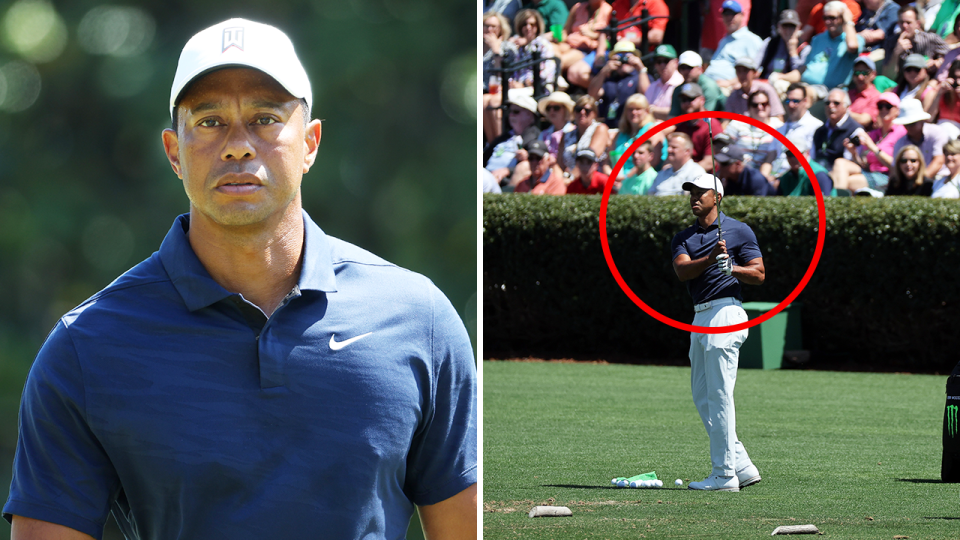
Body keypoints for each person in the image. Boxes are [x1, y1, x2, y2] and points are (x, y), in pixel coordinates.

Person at [2, 18, 477, 540]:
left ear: (311, 143)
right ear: (173, 152)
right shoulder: (86, 347)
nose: (237, 145)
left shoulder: (418, 318)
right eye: (208, 121)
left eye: (266, 117)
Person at [671, 173, 764, 492]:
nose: (694, 197)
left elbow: (759, 274)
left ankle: (724, 475)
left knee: (720, 395)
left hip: (726, 312)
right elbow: (683, 271)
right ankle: (742, 465)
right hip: (700, 316)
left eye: (701, 192)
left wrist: (732, 269)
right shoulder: (683, 237)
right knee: (703, 396)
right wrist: (711, 259)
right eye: (691, 192)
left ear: (718, 197)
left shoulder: (739, 230)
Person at [833, 92, 904, 192]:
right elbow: (864, 165)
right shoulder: (874, 134)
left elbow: (897, 165)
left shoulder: (901, 132)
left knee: (848, 181)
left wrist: (873, 147)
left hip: (888, 176)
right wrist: (853, 153)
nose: (883, 109)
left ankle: (834, 203)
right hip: (870, 172)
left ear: (897, 110)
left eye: (888, 106)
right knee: (839, 163)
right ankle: (835, 201)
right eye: (880, 106)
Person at [800, 2, 865, 89]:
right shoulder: (818, 39)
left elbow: (852, 46)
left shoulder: (855, 39)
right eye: (825, 18)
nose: (827, 21)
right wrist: (781, 77)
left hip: (831, 93)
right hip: (806, 87)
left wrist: (848, 21)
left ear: (842, 18)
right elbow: (805, 68)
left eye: (832, 18)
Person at [484, 90, 541, 187]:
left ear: (530, 115)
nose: (511, 115)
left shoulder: (535, 136)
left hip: (504, 181)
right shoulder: (505, 136)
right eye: (510, 111)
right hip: (486, 176)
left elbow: (535, 164)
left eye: (516, 111)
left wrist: (507, 170)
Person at [724, 90, 784, 182]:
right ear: (748, 107)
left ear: (769, 105)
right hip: (740, 172)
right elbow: (723, 145)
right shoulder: (738, 123)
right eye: (755, 105)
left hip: (767, 173)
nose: (760, 107)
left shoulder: (778, 126)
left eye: (764, 104)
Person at [703, 0, 763, 89]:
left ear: (742, 15)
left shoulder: (752, 40)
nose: (729, 18)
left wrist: (728, 83)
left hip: (727, 88)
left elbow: (757, 71)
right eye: (726, 14)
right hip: (708, 83)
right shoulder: (724, 40)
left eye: (733, 14)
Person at [882, 5, 948, 81]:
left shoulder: (930, 39)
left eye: (908, 22)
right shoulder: (891, 42)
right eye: (901, 22)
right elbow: (888, 76)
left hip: (925, 82)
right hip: (901, 84)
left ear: (917, 24)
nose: (904, 26)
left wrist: (938, 61)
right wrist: (896, 53)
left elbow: (950, 54)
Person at [588, 41, 645, 129]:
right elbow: (592, 96)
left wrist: (641, 69)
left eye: (627, 56)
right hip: (610, 128)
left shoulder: (640, 77)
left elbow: (647, 96)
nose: (623, 60)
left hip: (630, 128)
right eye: (620, 56)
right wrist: (603, 72)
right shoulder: (609, 80)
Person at [557, 0, 612, 88]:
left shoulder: (608, 10)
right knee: (550, 51)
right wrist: (555, 37)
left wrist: (592, 34)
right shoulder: (578, 7)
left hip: (587, 49)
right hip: (569, 44)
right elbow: (566, 31)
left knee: (559, 61)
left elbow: (608, 37)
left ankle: (554, 85)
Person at [772, 83, 823, 176]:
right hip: (775, 174)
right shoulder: (779, 129)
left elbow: (813, 160)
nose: (791, 105)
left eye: (796, 101)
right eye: (788, 101)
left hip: (799, 175)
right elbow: (770, 157)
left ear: (805, 101)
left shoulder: (816, 127)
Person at [892, 98, 949, 180]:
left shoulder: (937, 133)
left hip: (938, 178)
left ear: (922, 120)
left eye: (913, 123)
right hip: (912, 182)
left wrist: (920, 182)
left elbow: (939, 161)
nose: (909, 127)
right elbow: (895, 169)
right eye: (906, 124)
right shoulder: (900, 143)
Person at [483, 12, 518, 144]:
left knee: (485, 101)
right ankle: (491, 144)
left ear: (501, 29)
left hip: (496, 88)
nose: (490, 30)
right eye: (486, 26)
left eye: (494, 27)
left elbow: (501, 75)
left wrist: (496, 50)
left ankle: (496, 143)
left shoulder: (507, 48)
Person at [608, 94, 660, 180]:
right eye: (630, 109)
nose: (634, 112)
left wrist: (625, 179)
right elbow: (607, 161)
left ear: (646, 111)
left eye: (638, 109)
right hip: (615, 179)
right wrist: (611, 176)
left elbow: (652, 161)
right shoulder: (620, 133)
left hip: (639, 179)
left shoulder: (652, 130)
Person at [674, 83, 725, 172]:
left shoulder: (712, 125)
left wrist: (683, 174)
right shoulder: (681, 126)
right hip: (683, 176)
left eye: (691, 99)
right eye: (683, 100)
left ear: (702, 100)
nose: (687, 103)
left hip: (705, 179)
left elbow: (709, 162)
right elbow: (672, 159)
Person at [811, 88, 863, 171]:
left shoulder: (855, 130)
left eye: (836, 103)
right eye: (827, 103)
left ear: (847, 106)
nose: (831, 106)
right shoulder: (819, 130)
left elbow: (850, 163)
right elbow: (812, 157)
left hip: (838, 174)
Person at [507, 9, 558, 89]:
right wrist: (511, 82)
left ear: (537, 26)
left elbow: (547, 71)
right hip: (517, 87)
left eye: (532, 24)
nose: (528, 27)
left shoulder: (543, 44)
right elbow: (512, 71)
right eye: (524, 24)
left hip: (538, 88)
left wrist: (525, 84)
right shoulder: (517, 45)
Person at [561, 95, 610, 172]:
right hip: (568, 179)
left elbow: (589, 158)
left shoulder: (600, 129)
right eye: (578, 110)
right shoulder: (566, 135)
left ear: (594, 113)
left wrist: (571, 180)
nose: (582, 112)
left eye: (587, 110)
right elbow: (558, 164)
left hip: (592, 178)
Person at [755, 10, 804, 86]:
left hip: (788, 87)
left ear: (798, 27)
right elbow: (755, 65)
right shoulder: (770, 42)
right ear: (779, 26)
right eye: (785, 26)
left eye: (792, 27)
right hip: (766, 83)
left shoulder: (804, 47)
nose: (788, 31)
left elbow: (799, 75)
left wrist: (793, 53)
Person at [670, 51, 723, 116]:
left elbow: (705, 118)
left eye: (690, 67)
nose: (686, 71)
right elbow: (673, 117)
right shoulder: (678, 90)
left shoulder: (709, 86)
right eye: (683, 68)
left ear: (700, 69)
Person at [645, 45, 684, 120]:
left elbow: (677, 114)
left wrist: (652, 110)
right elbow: (643, 111)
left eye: (666, 61)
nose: (662, 65)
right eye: (658, 62)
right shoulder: (652, 86)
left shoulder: (681, 84)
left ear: (676, 62)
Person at [537, 91, 577, 158]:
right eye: (548, 108)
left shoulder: (574, 131)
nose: (551, 111)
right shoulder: (543, 134)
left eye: (556, 108)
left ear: (565, 110)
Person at [847, 56, 881, 129]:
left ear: (873, 74)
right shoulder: (848, 94)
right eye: (857, 73)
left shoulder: (876, 97)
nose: (860, 77)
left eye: (865, 73)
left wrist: (842, 112)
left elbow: (864, 120)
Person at [930, 57, 960, 139]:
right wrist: (939, 94)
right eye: (955, 77)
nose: (957, 82)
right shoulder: (943, 92)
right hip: (939, 130)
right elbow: (929, 117)